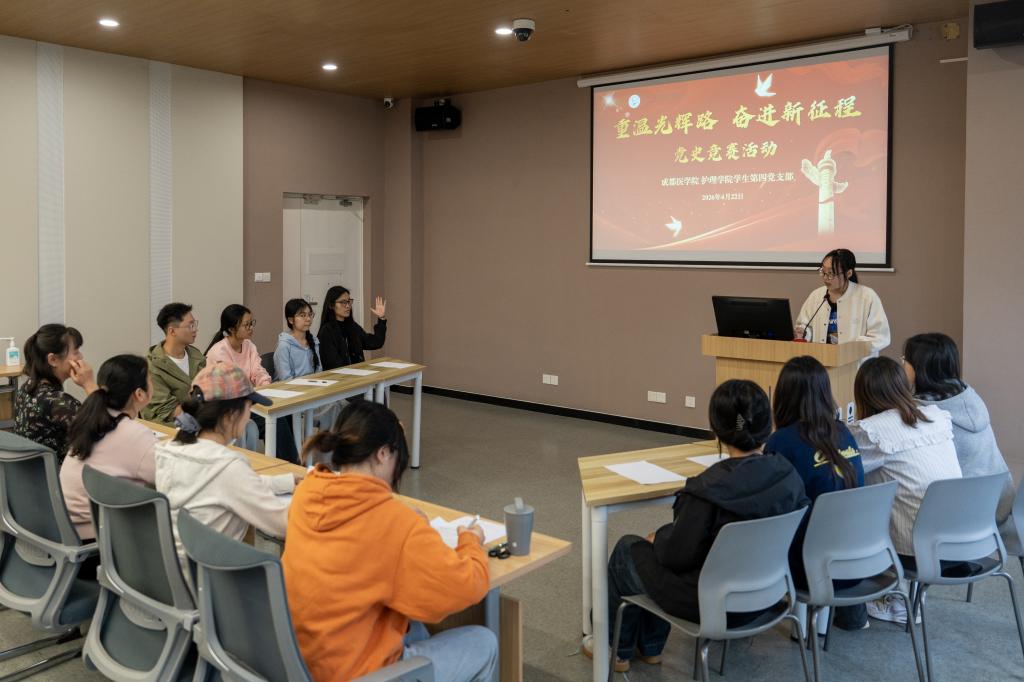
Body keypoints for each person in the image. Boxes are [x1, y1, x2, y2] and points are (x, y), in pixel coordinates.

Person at [585, 380, 809, 673]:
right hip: (769, 598)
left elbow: (676, 557)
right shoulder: (789, 476)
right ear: (768, 424)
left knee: (629, 548)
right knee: (661, 545)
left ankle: (616, 650)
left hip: (711, 604)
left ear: (717, 428)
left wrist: (660, 539)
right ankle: (650, 647)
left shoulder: (708, 490)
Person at [282, 401, 496, 682]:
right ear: (383, 453)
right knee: (484, 642)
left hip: (301, 660)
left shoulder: (307, 492)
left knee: (413, 625)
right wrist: (470, 540)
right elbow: (467, 585)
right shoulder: (393, 521)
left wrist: (409, 525)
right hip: (356, 672)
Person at [850, 356, 962, 624]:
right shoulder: (934, 416)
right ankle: (905, 594)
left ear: (863, 394)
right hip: (963, 538)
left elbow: (845, 469)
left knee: (851, 504)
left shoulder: (873, 431)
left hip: (917, 550)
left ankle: (892, 600)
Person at [155, 363, 296, 571]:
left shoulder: (169, 449)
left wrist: (287, 482)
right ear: (231, 415)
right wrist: (313, 493)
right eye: (249, 408)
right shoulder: (228, 466)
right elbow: (282, 523)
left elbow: (228, 486)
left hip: (175, 574)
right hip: (212, 583)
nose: (249, 417)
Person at [765, 355, 866, 631]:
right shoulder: (844, 432)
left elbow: (772, 508)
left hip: (809, 567)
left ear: (784, 395)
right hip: (859, 560)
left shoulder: (781, 442)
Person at [903, 333, 1014, 525]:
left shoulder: (921, 414)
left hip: (964, 516)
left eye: (905, 360)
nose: (902, 365)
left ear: (918, 367)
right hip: (1000, 503)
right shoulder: (970, 397)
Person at [61, 354, 156, 543]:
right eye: (150, 379)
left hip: (67, 531)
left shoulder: (92, 420)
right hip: (97, 542)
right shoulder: (134, 435)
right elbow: (172, 480)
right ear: (139, 394)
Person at [205, 303, 297, 458]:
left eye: (251, 323)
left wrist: (266, 387)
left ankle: (287, 461)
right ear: (232, 329)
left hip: (248, 400)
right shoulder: (219, 352)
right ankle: (289, 464)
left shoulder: (248, 345)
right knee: (276, 419)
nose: (251, 328)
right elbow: (232, 386)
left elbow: (258, 371)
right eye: (246, 325)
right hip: (228, 406)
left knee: (284, 412)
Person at [14, 324, 98, 462]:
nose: (81, 357)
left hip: (32, 472)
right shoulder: (59, 403)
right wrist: (90, 384)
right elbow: (108, 430)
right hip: (59, 473)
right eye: (76, 352)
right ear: (53, 359)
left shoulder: (26, 388)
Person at [794, 248, 890, 355]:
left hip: (854, 362)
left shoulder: (867, 297)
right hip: (822, 360)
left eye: (831, 273)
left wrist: (853, 348)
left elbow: (880, 336)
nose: (826, 278)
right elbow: (805, 326)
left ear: (848, 273)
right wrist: (803, 333)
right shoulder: (816, 296)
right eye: (823, 272)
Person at [142, 302, 206, 426]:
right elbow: (168, 411)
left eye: (195, 324)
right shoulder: (152, 366)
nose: (195, 329)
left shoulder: (196, 355)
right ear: (172, 331)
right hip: (169, 426)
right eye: (190, 325)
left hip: (199, 417)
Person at [317, 286, 388, 370]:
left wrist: (381, 318)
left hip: (357, 374)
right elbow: (333, 364)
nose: (348, 306)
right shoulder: (326, 331)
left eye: (349, 301)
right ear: (331, 305)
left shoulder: (352, 326)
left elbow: (375, 342)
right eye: (343, 302)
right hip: (340, 376)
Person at [274, 298, 321, 380]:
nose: (308, 319)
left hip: (312, 384)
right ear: (291, 320)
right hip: (289, 386)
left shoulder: (314, 341)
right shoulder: (284, 345)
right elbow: (285, 378)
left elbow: (319, 370)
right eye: (302, 315)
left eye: (310, 314)